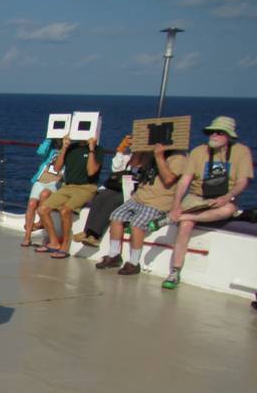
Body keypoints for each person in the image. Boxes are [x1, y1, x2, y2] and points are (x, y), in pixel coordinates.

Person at [162, 116, 253, 289]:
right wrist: (176, 205)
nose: (214, 136)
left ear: (229, 136)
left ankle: (179, 217)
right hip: (197, 196)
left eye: (219, 133)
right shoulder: (198, 152)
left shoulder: (242, 152)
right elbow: (184, 181)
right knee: (186, 225)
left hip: (223, 198)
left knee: (226, 210)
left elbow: (242, 181)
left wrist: (227, 197)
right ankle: (175, 271)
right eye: (211, 132)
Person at [95, 143, 186, 275]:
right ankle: (114, 255)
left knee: (137, 224)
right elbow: (135, 164)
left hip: (158, 201)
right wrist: (138, 149)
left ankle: (134, 262)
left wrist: (159, 157)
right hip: (139, 197)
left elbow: (169, 179)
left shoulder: (178, 157)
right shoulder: (150, 153)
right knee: (116, 216)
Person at [36, 135, 105, 259]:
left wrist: (91, 149)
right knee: (42, 210)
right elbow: (56, 169)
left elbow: (91, 171)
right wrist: (64, 147)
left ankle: (65, 247)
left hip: (87, 187)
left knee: (65, 211)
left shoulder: (98, 150)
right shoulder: (71, 148)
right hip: (68, 186)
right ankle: (54, 242)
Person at [73, 134, 133, 247]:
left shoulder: (146, 157)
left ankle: (95, 235)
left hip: (131, 190)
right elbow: (116, 168)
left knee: (112, 201)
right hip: (119, 185)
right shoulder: (128, 153)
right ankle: (87, 232)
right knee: (99, 197)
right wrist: (121, 149)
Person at [20, 137, 62, 247]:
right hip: (41, 180)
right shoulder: (50, 147)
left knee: (44, 195)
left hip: (55, 182)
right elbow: (40, 151)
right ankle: (27, 236)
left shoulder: (69, 149)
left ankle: (41, 223)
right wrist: (48, 139)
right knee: (32, 204)